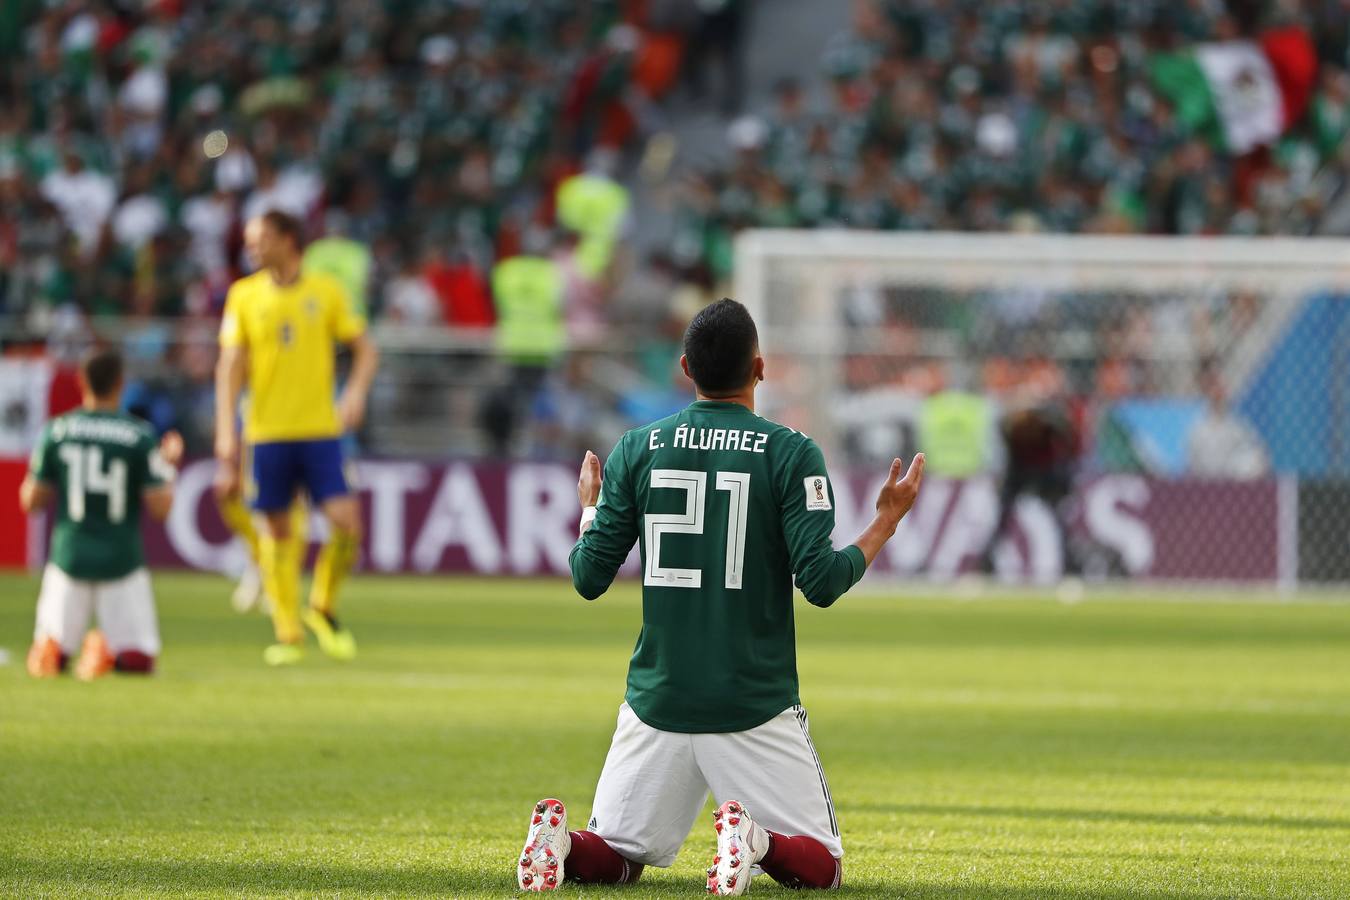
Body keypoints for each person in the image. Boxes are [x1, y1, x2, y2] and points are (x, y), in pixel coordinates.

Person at [515, 299, 925, 894]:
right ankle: (753, 841)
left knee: (618, 856)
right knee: (824, 866)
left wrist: (589, 510)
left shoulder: (636, 448)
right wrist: (885, 522)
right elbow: (823, 583)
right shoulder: (791, 452)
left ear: (685, 367)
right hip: (750, 697)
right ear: (760, 368)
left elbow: (587, 577)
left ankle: (562, 843)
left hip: (659, 696)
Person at [214, 210, 379, 667]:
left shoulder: (325, 291)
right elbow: (230, 367)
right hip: (265, 431)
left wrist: (356, 392)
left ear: (288, 240)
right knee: (276, 530)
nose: (252, 247)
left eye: (260, 238)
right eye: (249, 239)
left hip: (320, 429)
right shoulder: (243, 296)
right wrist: (226, 429)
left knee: (347, 522)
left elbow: (365, 348)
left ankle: (322, 607)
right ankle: (288, 634)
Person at [23, 348, 182, 680]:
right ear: (120, 384)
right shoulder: (139, 436)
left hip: (70, 557)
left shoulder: (56, 431)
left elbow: (31, 502)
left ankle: (72, 646)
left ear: (82, 381)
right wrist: (167, 468)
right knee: (139, 662)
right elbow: (160, 508)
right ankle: (106, 651)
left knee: (49, 658)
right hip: (121, 559)